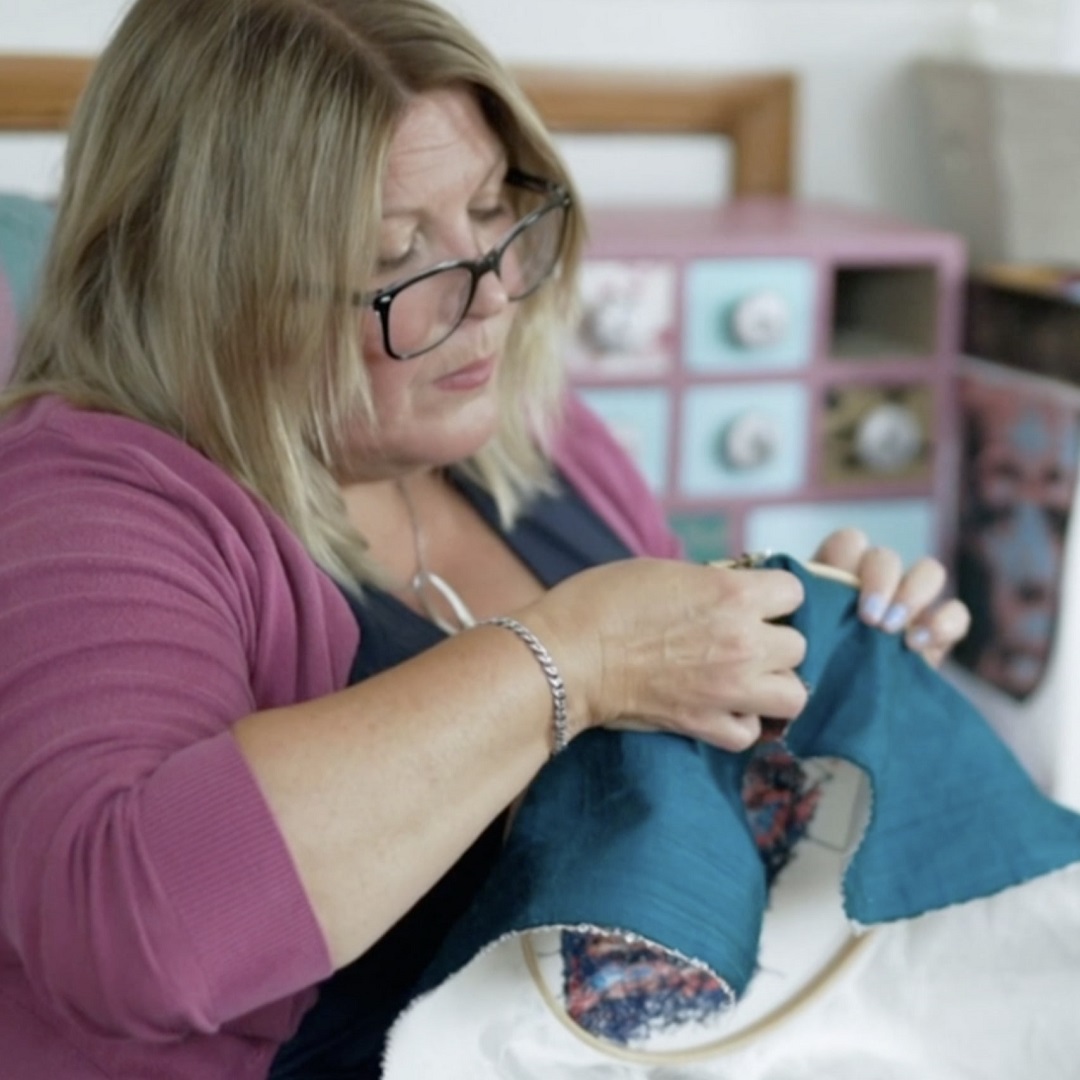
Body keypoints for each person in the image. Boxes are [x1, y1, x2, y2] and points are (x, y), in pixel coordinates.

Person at [0, 0, 971, 1076]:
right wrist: (574, 661)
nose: (494, 298)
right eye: (397, 257)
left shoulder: (534, 437)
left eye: (491, 210)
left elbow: (664, 801)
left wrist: (806, 673)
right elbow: (139, 935)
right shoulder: (82, 501)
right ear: (204, 285)